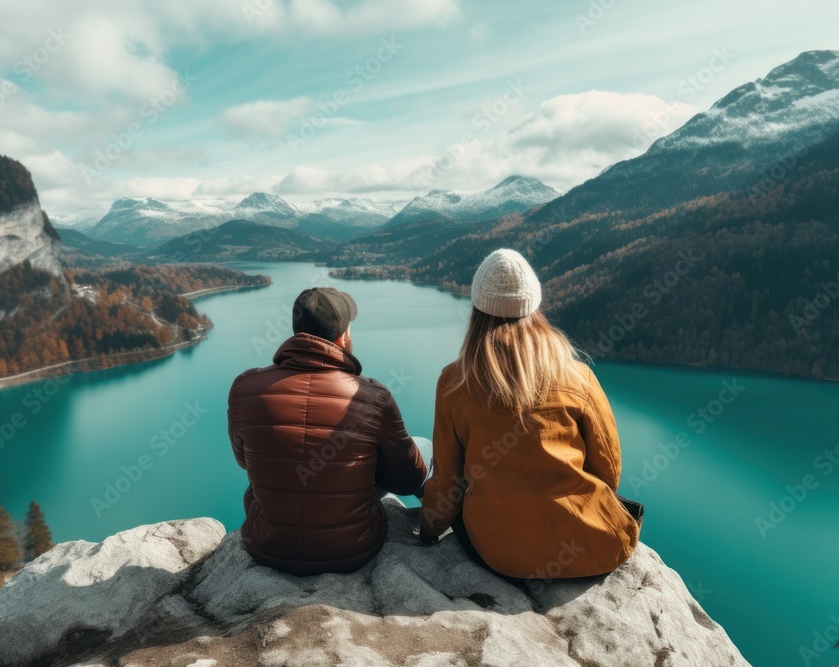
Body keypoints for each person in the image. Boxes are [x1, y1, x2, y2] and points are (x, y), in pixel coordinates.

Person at [417, 249, 640, 581]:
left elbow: (448, 481)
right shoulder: (578, 375)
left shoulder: (455, 381)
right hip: (596, 546)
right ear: (534, 307)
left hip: (502, 555)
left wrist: (429, 530)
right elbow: (608, 468)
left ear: (477, 310)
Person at [228, 286, 429, 576]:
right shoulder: (373, 396)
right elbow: (409, 481)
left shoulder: (245, 388)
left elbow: (245, 460)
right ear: (342, 338)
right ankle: (437, 527)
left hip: (269, 546)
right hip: (351, 550)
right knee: (421, 446)